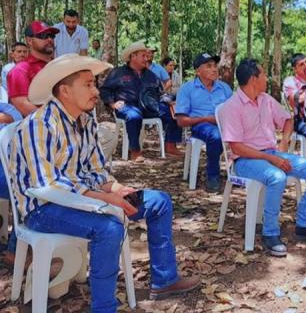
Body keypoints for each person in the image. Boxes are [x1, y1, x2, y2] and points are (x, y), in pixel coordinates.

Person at [7, 54, 199, 312]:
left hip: (84, 199)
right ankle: (104, 307)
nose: (96, 91)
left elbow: (96, 170)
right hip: (42, 208)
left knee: (159, 202)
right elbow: (49, 186)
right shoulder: (39, 125)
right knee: (109, 229)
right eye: (87, 85)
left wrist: (117, 189)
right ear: (64, 91)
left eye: (94, 84)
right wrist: (106, 199)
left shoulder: (85, 121)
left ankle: (164, 280)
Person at [220, 59, 306, 256]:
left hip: (271, 153)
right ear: (253, 78)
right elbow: (237, 147)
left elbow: (287, 119)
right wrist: (272, 159)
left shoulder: (265, 99)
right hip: (244, 160)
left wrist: (284, 141)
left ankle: (304, 225)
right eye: (263, 74)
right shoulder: (232, 106)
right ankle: (270, 232)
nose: (266, 78)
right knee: (276, 176)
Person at [99, 41, 183, 162]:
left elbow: (159, 93)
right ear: (133, 56)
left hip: (149, 106)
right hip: (127, 106)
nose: (146, 58)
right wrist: (112, 104)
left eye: (147, 55)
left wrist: (168, 101)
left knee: (175, 111)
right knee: (133, 116)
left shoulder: (151, 75)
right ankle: (135, 151)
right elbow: (105, 90)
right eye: (143, 56)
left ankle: (170, 145)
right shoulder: (118, 73)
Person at [175, 53, 232, 192]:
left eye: (215, 66)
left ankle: (241, 171)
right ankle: (212, 176)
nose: (214, 69)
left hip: (225, 124)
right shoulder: (187, 89)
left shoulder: (224, 88)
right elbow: (181, 121)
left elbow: (236, 111)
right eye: (209, 66)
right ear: (198, 71)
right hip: (201, 126)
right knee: (215, 136)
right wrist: (206, 118)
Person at [8, 21, 58, 116]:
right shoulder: (20, 70)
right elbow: (22, 105)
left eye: (52, 35)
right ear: (29, 41)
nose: (49, 39)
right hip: (39, 126)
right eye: (43, 35)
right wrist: (53, 119)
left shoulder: (57, 66)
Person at [0, 102, 22, 265]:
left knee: (25, 190)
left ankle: (14, 250)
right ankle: (14, 252)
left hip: (8, 170)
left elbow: (15, 117)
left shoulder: (4, 106)